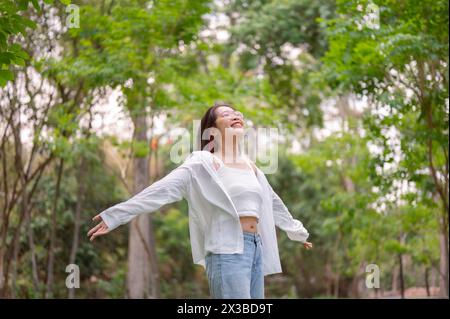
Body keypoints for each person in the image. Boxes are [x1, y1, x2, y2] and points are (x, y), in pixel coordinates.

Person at [88, 101, 313, 299]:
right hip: (227, 250)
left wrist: (296, 231)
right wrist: (116, 215)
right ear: (212, 132)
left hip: (256, 248)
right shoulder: (203, 163)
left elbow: (273, 203)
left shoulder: (250, 167)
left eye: (237, 112)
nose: (236, 115)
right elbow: (163, 189)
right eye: (226, 114)